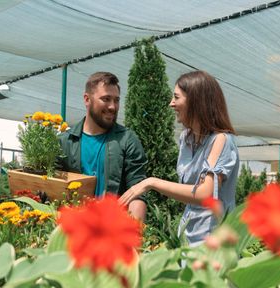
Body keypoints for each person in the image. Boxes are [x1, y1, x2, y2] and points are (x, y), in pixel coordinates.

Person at [120, 70, 239, 246]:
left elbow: (205, 193)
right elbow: (188, 192)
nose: (171, 104)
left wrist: (151, 182)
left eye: (176, 97)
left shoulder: (221, 140)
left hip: (214, 242)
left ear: (195, 101)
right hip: (188, 236)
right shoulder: (186, 139)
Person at [58, 72, 147, 220]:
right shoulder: (65, 142)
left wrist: (134, 233)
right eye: (106, 99)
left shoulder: (126, 139)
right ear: (87, 99)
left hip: (112, 230)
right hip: (73, 229)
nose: (112, 106)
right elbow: (53, 189)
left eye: (116, 100)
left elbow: (137, 193)